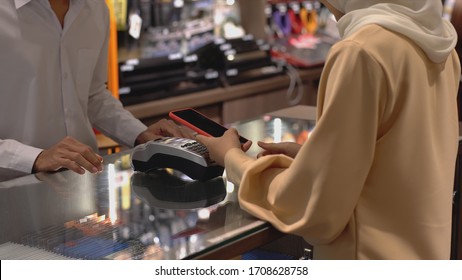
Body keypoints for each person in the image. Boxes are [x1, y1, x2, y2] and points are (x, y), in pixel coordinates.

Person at [196, 0, 460, 259]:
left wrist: (232, 158)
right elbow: (400, 168)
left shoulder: (361, 51)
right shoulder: (439, 44)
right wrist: (318, 160)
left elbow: (318, 212)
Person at [0, 0, 190, 178]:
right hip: (11, 189)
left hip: (83, 182)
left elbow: (93, 95)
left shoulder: (96, 9)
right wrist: (35, 157)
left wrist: (139, 134)